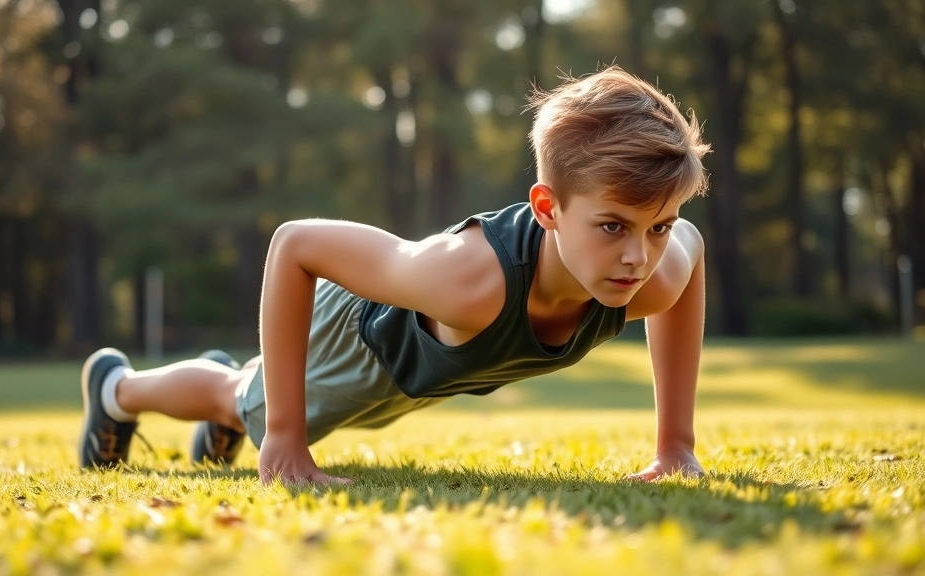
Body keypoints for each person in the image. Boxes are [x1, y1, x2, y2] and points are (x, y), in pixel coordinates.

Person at [78, 65, 711, 486]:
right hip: (359, 333)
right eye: (611, 227)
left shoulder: (653, 270)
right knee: (241, 401)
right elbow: (294, 244)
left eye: (656, 226)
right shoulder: (469, 281)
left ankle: (241, 398)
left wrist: (675, 445)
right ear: (548, 208)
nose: (638, 256)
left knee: (247, 391)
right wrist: (287, 438)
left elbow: (692, 246)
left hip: (415, 377)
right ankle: (116, 390)